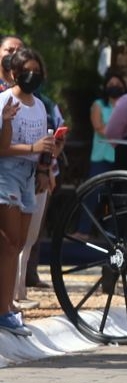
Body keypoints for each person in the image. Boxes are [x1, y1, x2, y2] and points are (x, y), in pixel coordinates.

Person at [0, 48, 61, 336]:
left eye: (36, 70)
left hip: (28, 175)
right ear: (13, 72)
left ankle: (7, 306)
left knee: (19, 243)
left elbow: (42, 144)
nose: (31, 76)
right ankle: (4, 309)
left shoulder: (39, 106)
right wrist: (32, 147)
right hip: (6, 175)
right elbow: (2, 148)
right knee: (10, 243)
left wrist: (45, 165)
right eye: (26, 70)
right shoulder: (4, 101)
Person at [88, 72, 127, 177]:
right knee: (98, 191)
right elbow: (99, 128)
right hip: (101, 157)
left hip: (123, 157)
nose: (114, 86)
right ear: (105, 88)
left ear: (124, 87)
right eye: (111, 84)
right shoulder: (98, 105)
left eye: (118, 83)